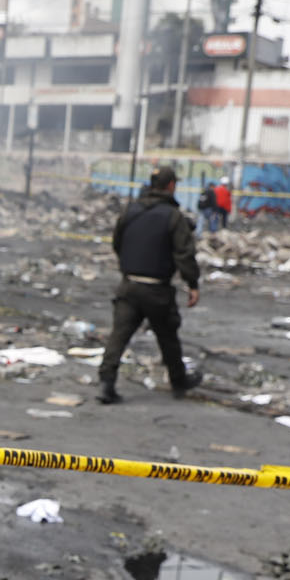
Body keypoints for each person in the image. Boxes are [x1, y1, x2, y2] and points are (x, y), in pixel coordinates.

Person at [98, 165, 203, 405]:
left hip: (129, 285)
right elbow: (184, 254)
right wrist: (192, 283)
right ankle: (179, 382)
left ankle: (106, 383)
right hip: (157, 289)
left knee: (119, 336)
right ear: (171, 186)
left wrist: (129, 266)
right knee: (167, 336)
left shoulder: (131, 210)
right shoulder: (173, 216)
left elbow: (117, 242)